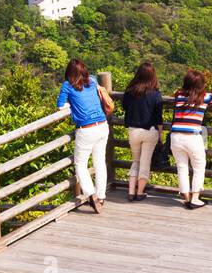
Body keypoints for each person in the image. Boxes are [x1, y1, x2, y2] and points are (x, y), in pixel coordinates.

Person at [56, 58, 114, 214]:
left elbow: (60, 106)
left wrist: (71, 105)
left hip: (86, 128)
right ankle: (101, 196)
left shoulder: (68, 85)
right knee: (100, 162)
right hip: (102, 125)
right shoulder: (93, 81)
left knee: (80, 164)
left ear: (69, 72)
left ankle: (91, 194)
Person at [171, 70, 212, 210]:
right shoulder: (204, 97)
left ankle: (186, 197)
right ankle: (195, 198)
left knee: (182, 167)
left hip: (175, 136)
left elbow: (178, 93)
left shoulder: (178, 95)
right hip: (192, 136)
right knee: (198, 167)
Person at [121, 61, 164, 201]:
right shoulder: (155, 94)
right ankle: (140, 192)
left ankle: (130, 191)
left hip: (133, 131)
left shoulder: (129, 91)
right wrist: (161, 136)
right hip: (150, 131)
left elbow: (124, 107)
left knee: (136, 161)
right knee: (145, 163)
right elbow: (159, 118)